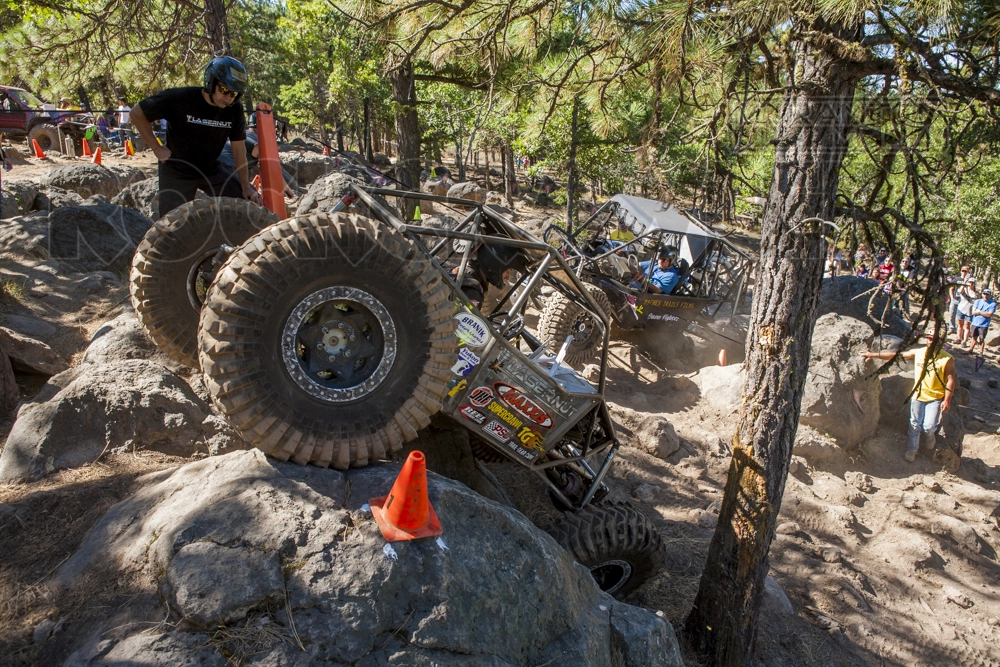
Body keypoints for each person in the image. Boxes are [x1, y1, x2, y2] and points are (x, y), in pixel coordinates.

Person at [130, 56, 261, 216]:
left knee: (250, 203)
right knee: (171, 225)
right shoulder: (179, 98)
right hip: (177, 170)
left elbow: (239, 149)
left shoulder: (233, 109)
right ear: (211, 82)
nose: (228, 98)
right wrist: (157, 148)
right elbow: (137, 113)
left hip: (211, 168)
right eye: (224, 90)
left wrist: (246, 186)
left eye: (234, 94)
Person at [862, 332, 956, 462]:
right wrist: (874, 355)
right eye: (928, 338)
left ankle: (930, 435)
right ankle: (912, 450)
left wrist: (947, 399)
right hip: (917, 394)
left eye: (933, 339)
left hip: (935, 397)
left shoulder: (947, 359)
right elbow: (896, 356)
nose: (930, 341)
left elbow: (950, 380)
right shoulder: (919, 352)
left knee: (928, 426)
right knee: (914, 423)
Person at [968, 288, 996, 356]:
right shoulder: (977, 301)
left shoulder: (992, 304)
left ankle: (981, 352)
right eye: (984, 294)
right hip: (975, 322)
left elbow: (989, 314)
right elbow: (973, 312)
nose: (985, 296)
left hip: (984, 324)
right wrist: (983, 313)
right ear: (982, 294)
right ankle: (970, 350)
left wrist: (979, 311)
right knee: (974, 337)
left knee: (981, 339)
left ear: (989, 295)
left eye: (987, 294)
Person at [955, 278, 977, 345]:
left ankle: (964, 341)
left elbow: (975, 301)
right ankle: (959, 338)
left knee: (967, 326)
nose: (970, 284)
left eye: (971, 282)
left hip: (969, 311)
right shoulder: (964, 290)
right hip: (961, 308)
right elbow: (959, 293)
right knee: (960, 324)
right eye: (969, 282)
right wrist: (964, 282)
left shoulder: (975, 293)